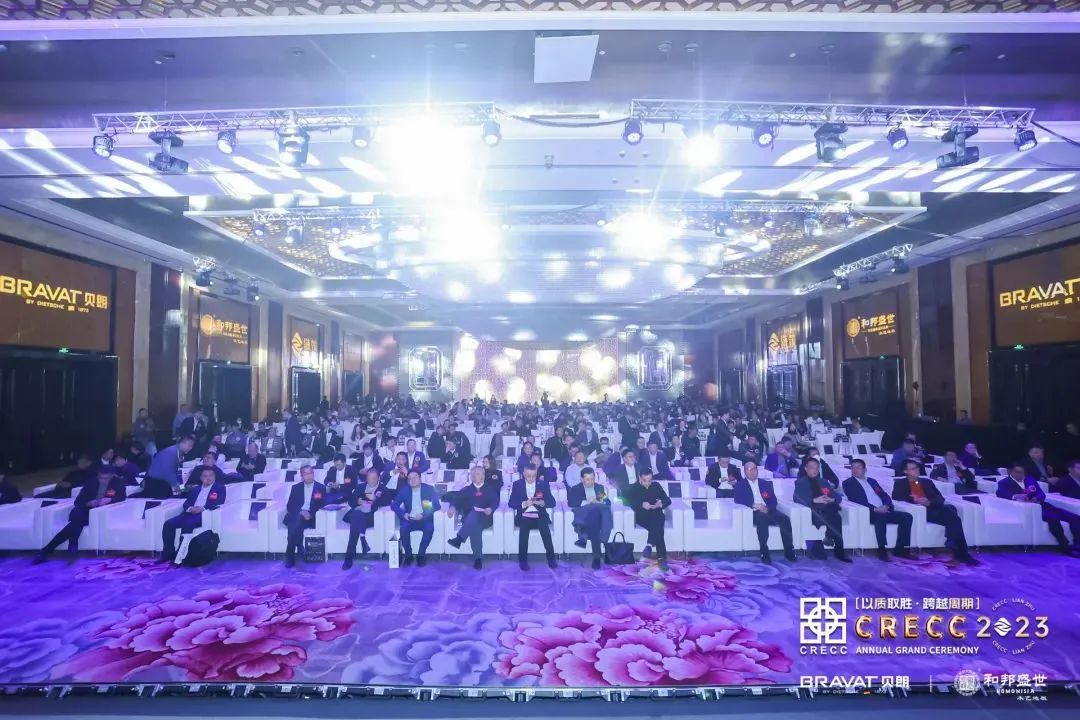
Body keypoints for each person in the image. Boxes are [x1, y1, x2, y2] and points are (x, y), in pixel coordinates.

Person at [892, 459, 978, 566]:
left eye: (917, 468)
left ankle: (954, 545)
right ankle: (962, 554)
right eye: (913, 469)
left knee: (951, 511)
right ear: (906, 471)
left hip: (934, 509)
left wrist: (929, 502)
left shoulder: (927, 482)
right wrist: (914, 500)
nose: (917, 470)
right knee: (952, 513)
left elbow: (940, 498)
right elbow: (896, 496)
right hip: (922, 513)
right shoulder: (900, 483)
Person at [34, 470, 126, 563]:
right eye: (100, 478)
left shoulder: (117, 483)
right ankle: (69, 545)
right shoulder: (91, 483)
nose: (102, 480)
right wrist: (89, 503)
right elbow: (78, 501)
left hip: (100, 513)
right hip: (85, 510)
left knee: (75, 523)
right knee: (77, 520)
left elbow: (122, 497)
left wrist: (110, 500)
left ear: (111, 477)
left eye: (105, 478)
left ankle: (49, 549)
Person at [997, 462, 1080, 555]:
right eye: (1017, 472)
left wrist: (1036, 498)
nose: (1021, 474)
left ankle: (1077, 544)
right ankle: (1064, 546)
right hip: (1028, 510)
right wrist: (1018, 497)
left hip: (1041, 504)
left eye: (1022, 472)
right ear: (1011, 472)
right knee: (1053, 519)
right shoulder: (1004, 483)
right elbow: (1001, 493)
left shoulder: (1030, 480)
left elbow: (1041, 494)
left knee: (1074, 517)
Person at [843, 459, 913, 561]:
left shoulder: (872, 481)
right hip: (869, 512)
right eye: (852, 468)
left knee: (907, 517)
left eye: (858, 468)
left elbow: (884, 495)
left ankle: (901, 549)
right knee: (881, 517)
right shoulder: (848, 483)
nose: (855, 470)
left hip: (884, 510)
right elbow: (856, 499)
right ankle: (881, 550)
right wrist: (875, 509)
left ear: (865, 470)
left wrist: (886, 505)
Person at [735, 460, 796, 564]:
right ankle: (764, 551)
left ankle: (789, 551)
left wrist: (767, 507)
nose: (752, 471)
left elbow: (773, 500)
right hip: (754, 512)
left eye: (754, 469)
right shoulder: (740, 484)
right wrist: (754, 505)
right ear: (744, 471)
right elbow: (738, 499)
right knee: (762, 519)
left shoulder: (765, 484)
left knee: (785, 519)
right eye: (749, 469)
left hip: (769, 510)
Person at [160, 467, 226, 563]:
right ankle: (168, 554)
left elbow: (219, 502)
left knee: (188, 524)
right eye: (205, 476)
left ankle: (180, 555)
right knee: (168, 524)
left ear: (215, 476)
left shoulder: (219, 488)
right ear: (201, 478)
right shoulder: (196, 489)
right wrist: (190, 508)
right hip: (190, 513)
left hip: (204, 515)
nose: (209, 478)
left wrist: (202, 508)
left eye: (211, 475)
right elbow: (186, 503)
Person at [794, 458, 851, 562]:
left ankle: (831, 539)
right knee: (836, 517)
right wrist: (814, 500)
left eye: (817, 468)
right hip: (814, 511)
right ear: (806, 469)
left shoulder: (823, 481)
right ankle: (838, 550)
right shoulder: (800, 482)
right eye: (812, 468)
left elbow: (837, 497)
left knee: (835, 516)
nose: (815, 470)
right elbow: (797, 497)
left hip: (827, 509)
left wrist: (831, 499)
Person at [447, 466, 500, 569]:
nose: (481, 476)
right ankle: (478, 559)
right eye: (477, 473)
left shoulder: (490, 489)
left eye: (482, 473)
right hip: (469, 520)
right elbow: (456, 499)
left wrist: (490, 508)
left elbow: (496, 501)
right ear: (472, 477)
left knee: (474, 519)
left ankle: (459, 538)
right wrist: (452, 507)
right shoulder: (466, 490)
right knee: (475, 523)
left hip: (486, 518)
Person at [509, 465, 557, 571]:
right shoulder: (517, 484)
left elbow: (552, 502)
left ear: (536, 474)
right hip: (524, 516)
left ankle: (551, 558)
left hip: (539, 515)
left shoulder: (543, 484)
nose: (531, 478)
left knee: (544, 527)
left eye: (533, 476)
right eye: (528, 476)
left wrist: (543, 503)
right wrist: (524, 504)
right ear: (524, 474)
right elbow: (511, 503)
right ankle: (522, 560)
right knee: (524, 526)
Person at [342, 469, 393, 568]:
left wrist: (374, 500)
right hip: (356, 513)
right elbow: (351, 501)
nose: (371, 481)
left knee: (356, 521)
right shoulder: (360, 487)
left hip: (370, 517)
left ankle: (349, 557)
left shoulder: (383, 489)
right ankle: (362, 539)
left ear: (378, 478)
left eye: (373, 478)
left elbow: (387, 501)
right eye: (369, 478)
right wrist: (358, 501)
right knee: (357, 515)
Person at [391, 470, 440, 567]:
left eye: (415, 477)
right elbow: (394, 504)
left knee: (429, 528)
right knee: (403, 529)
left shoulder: (429, 489)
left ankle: (421, 555)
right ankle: (408, 555)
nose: (412, 480)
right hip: (409, 519)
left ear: (420, 479)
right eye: (409, 479)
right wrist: (403, 514)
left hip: (424, 518)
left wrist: (423, 514)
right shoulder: (405, 490)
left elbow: (436, 505)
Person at [623, 468, 671, 569]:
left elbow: (667, 500)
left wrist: (660, 504)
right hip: (642, 516)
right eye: (645, 480)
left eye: (650, 480)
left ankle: (649, 545)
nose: (647, 483)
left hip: (656, 513)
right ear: (640, 478)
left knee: (658, 520)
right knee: (658, 526)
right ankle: (661, 558)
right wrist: (641, 504)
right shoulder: (633, 487)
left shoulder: (656, 486)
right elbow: (625, 501)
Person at [567, 467, 613, 569]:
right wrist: (588, 502)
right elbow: (572, 503)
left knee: (598, 511)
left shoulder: (598, 488)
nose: (591, 482)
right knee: (594, 517)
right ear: (582, 479)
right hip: (585, 515)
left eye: (592, 479)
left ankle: (584, 536)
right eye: (588, 479)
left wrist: (599, 501)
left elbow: (607, 502)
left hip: (598, 516)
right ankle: (597, 555)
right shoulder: (576, 489)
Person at [282, 465, 326, 568]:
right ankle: (299, 547)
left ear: (313, 473)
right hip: (297, 515)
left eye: (311, 473)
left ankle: (291, 554)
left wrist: (310, 514)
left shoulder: (321, 488)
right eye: (306, 474)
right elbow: (290, 506)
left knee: (293, 525)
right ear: (301, 476)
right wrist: (301, 512)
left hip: (311, 518)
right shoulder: (296, 488)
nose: (309, 475)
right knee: (296, 520)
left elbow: (322, 505)